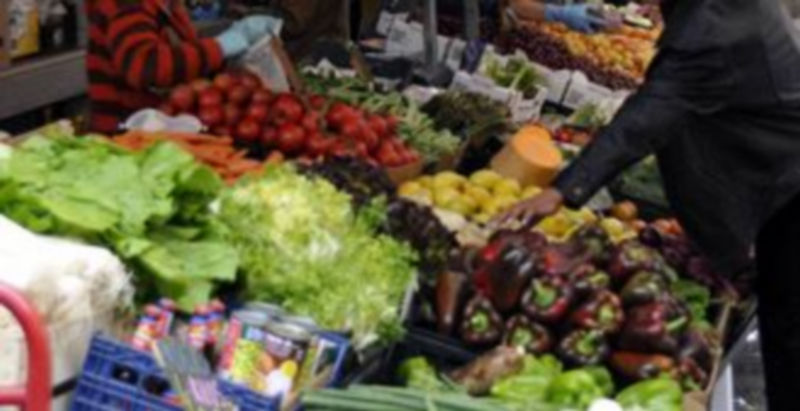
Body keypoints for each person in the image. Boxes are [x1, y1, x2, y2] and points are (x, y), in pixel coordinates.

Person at [496, 0, 800, 409]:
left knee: (789, 330)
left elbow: (649, 114)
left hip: (789, 188)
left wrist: (562, 191)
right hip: (780, 177)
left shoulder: (715, 23)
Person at [85, 0, 277, 134]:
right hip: (125, 138)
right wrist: (220, 47)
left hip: (162, 132)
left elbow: (182, 62)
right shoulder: (126, 4)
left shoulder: (168, 6)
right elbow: (147, 66)